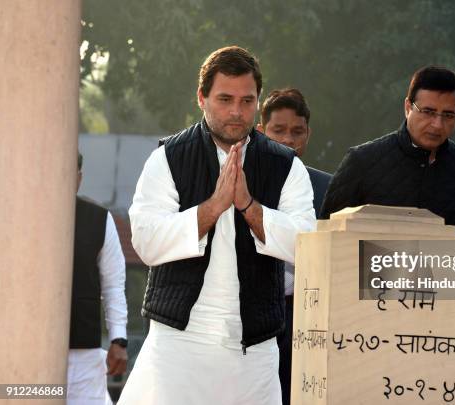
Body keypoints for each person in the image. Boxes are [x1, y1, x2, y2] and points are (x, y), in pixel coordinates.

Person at [118, 46, 315, 404]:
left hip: (253, 351)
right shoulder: (167, 159)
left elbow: (306, 247)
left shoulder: (285, 166)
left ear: (257, 102)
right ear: (202, 97)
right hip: (178, 343)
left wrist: (249, 207)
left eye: (246, 100)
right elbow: (146, 243)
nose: (236, 112)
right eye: (225, 99)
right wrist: (212, 208)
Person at [320, 66, 455, 238]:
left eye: (448, 115)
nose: (437, 124)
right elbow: (325, 237)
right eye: (428, 112)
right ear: (407, 107)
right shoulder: (362, 161)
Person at [257, 88, 332, 404]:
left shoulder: (328, 188)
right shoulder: (240, 182)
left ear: (308, 135)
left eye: (297, 132)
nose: (288, 139)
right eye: (279, 130)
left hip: (305, 316)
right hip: (251, 312)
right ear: (260, 131)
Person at [68, 152, 128, 405]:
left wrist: (118, 339)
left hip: (85, 354)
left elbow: (113, 284)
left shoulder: (99, 220)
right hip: (29, 347)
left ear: (79, 178)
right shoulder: (19, 217)